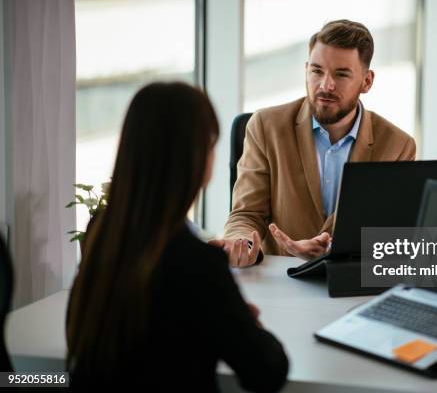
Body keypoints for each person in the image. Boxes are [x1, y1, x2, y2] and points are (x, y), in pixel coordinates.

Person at [66, 82, 288, 391]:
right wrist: (245, 324)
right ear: (198, 158)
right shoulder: (197, 263)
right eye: (212, 145)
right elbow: (267, 372)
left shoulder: (102, 232)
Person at [216, 19, 416, 266]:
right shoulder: (266, 127)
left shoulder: (398, 146)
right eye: (317, 71)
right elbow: (246, 215)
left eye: (341, 74)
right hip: (280, 279)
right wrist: (243, 245)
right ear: (306, 69)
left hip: (350, 281)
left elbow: (392, 236)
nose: (325, 85)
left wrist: (333, 248)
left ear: (367, 81)